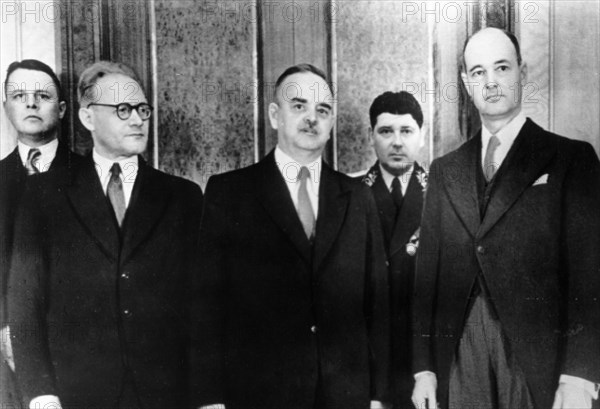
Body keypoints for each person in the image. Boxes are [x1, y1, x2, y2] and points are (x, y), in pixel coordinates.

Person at [411, 27, 600, 409]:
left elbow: (591, 272)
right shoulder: (446, 171)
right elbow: (426, 279)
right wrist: (423, 369)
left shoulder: (570, 159)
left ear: (522, 73)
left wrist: (580, 372)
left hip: (538, 356)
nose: (491, 82)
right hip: (461, 354)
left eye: (502, 68)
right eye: (478, 72)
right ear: (466, 82)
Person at [192, 63, 391, 409]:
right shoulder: (230, 193)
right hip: (258, 393)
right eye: (299, 106)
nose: (311, 118)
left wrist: (378, 397)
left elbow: (379, 304)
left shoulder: (358, 197)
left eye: (323, 110)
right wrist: (209, 399)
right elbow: (206, 306)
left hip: (345, 395)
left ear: (331, 123)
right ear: (274, 115)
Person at [8, 60, 203, 409]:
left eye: (142, 109)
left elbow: (203, 304)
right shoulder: (43, 195)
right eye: (123, 109)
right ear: (87, 118)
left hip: (166, 392)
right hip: (75, 393)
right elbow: (25, 303)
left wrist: (208, 397)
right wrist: (40, 393)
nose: (138, 119)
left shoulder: (182, 196)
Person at [0, 59, 75, 408]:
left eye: (42, 95)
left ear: (60, 109)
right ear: (5, 107)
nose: (31, 103)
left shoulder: (92, 176)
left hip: (76, 349)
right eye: (19, 95)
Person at [359, 91, 427, 409]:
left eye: (406, 131)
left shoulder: (445, 197)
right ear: (371, 136)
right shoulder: (350, 196)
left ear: (422, 136)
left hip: (424, 358)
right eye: (386, 131)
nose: (397, 142)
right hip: (368, 357)